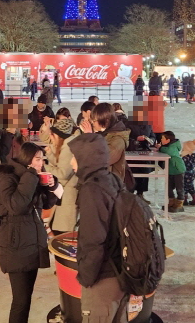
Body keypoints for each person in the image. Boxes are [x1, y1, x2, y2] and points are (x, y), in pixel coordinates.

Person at [68, 132, 128, 322]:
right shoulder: (113, 180)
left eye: (74, 156)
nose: (71, 162)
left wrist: (86, 279)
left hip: (103, 278)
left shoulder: (92, 190)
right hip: (121, 272)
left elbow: (93, 241)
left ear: (85, 158)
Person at [0, 142, 59, 323]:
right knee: (20, 301)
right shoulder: (7, 177)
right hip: (15, 243)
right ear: (27, 159)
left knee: (26, 298)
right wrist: (31, 175)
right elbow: (16, 206)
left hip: (33, 241)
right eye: (37, 159)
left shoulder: (33, 176)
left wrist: (51, 187)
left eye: (42, 159)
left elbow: (45, 204)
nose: (41, 163)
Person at [44, 118, 80, 234]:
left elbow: (62, 173)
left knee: (62, 232)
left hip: (67, 197)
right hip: (64, 195)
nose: (51, 137)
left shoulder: (68, 147)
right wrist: (50, 154)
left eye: (52, 134)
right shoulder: (68, 144)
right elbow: (62, 164)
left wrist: (43, 167)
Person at [90, 102, 130, 186]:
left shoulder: (118, 139)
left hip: (110, 186)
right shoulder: (105, 134)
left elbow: (104, 159)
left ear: (106, 120)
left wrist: (90, 136)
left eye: (94, 121)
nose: (92, 123)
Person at [158, 131, 187, 213]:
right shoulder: (168, 146)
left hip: (178, 169)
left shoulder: (173, 146)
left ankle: (179, 203)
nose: (161, 140)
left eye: (162, 138)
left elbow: (169, 151)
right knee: (169, 187)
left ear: (168, 140)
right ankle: (171, 201)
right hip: (170, 170)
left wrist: (160, 148)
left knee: (179, 187)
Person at [181, 138, 195, 206]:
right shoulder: (194, 155)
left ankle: (184, 199)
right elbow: (194, 164)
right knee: (191, 186)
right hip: (192, 173)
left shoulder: (184, 156)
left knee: (184, 186)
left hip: (185, 173)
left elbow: (184, 166)